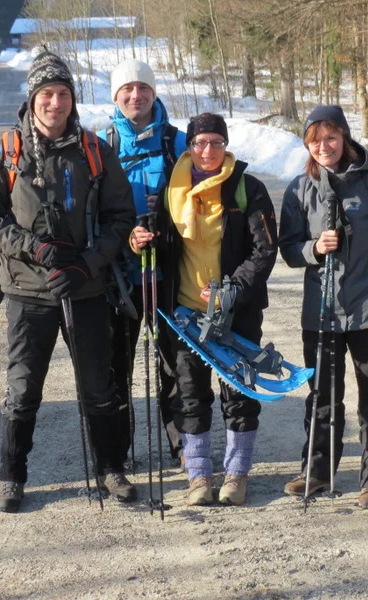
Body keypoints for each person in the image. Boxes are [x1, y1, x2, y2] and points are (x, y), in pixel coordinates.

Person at [0, 51, 137, 512]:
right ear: (33, 99)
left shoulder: (96, 152)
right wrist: (32, 247)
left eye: (62, 94)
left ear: (72, 99)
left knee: (99, 387)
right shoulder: (6, 150)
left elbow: (122, 216)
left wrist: (87, 263)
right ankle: (11, 476)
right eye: (46, 94)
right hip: (26, 291)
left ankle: (110, 468)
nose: (54, 102)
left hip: (85, 289)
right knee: (23, 390)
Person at [132, 113, 278, 506]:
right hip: (185, 311)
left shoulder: (247, 188)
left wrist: (234, 289)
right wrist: (141, 239)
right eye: (199, 143)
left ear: (226, 145)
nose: (207, 150)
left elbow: (264, 249)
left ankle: (236, 474)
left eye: (215, 142)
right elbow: (164, 248)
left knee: (238, 391)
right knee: (191, 393)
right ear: (190, 146)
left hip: (236, 309)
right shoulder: (171, 189)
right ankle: (199, 476)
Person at [279, 105, 368, 511]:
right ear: (307, 144)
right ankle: (318, 470)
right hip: (321, 311)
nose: (324, 146)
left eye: (331, 137)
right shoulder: (299, 189)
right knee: (321, 394)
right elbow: (288, 250)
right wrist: (314, 249)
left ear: (346, 138)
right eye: (315, 140)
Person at [98, 58, 187, 468]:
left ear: (154, 93)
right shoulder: (100, 145)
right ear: (116, 96)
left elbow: (202, 205)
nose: (137, 96)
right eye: (127, 90)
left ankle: (184, 447)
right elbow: (87, 210)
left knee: (174, 366)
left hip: (169, 275)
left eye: (144, 88)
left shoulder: (178, 143)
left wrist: (165, 211)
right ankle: (117, 454)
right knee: (117, 368)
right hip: (117, 277)